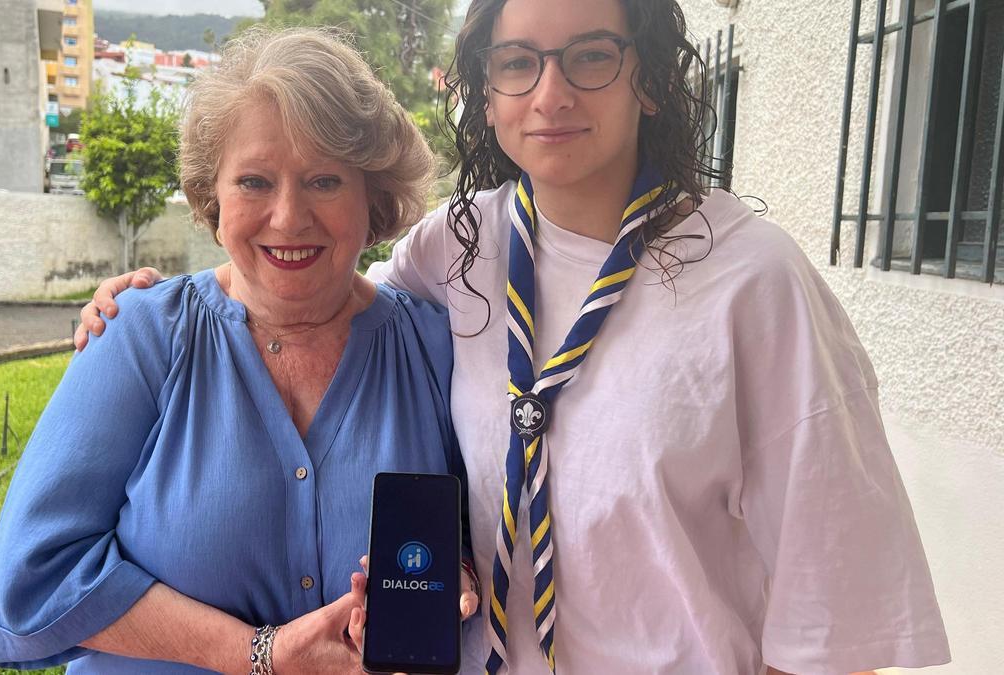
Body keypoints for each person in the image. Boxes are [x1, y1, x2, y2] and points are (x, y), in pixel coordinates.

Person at [78, 1, 952, 673]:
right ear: (486, 92)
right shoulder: (456, 247)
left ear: (647, 78)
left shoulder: (756, 283)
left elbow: (835, 607)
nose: (551, 92)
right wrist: (160, 305)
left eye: (591, 57)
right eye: (518, 62)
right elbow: (311, 291)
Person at [0, 27, 477, 674]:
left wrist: (453, 572)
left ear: (372, 197)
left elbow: (480, 523)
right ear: (212, 195)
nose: (289, 217)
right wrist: (260, 653)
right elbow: (32, 577)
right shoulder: (141, 335)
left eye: (324, 180)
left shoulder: (433, 345)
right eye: (255, 182)